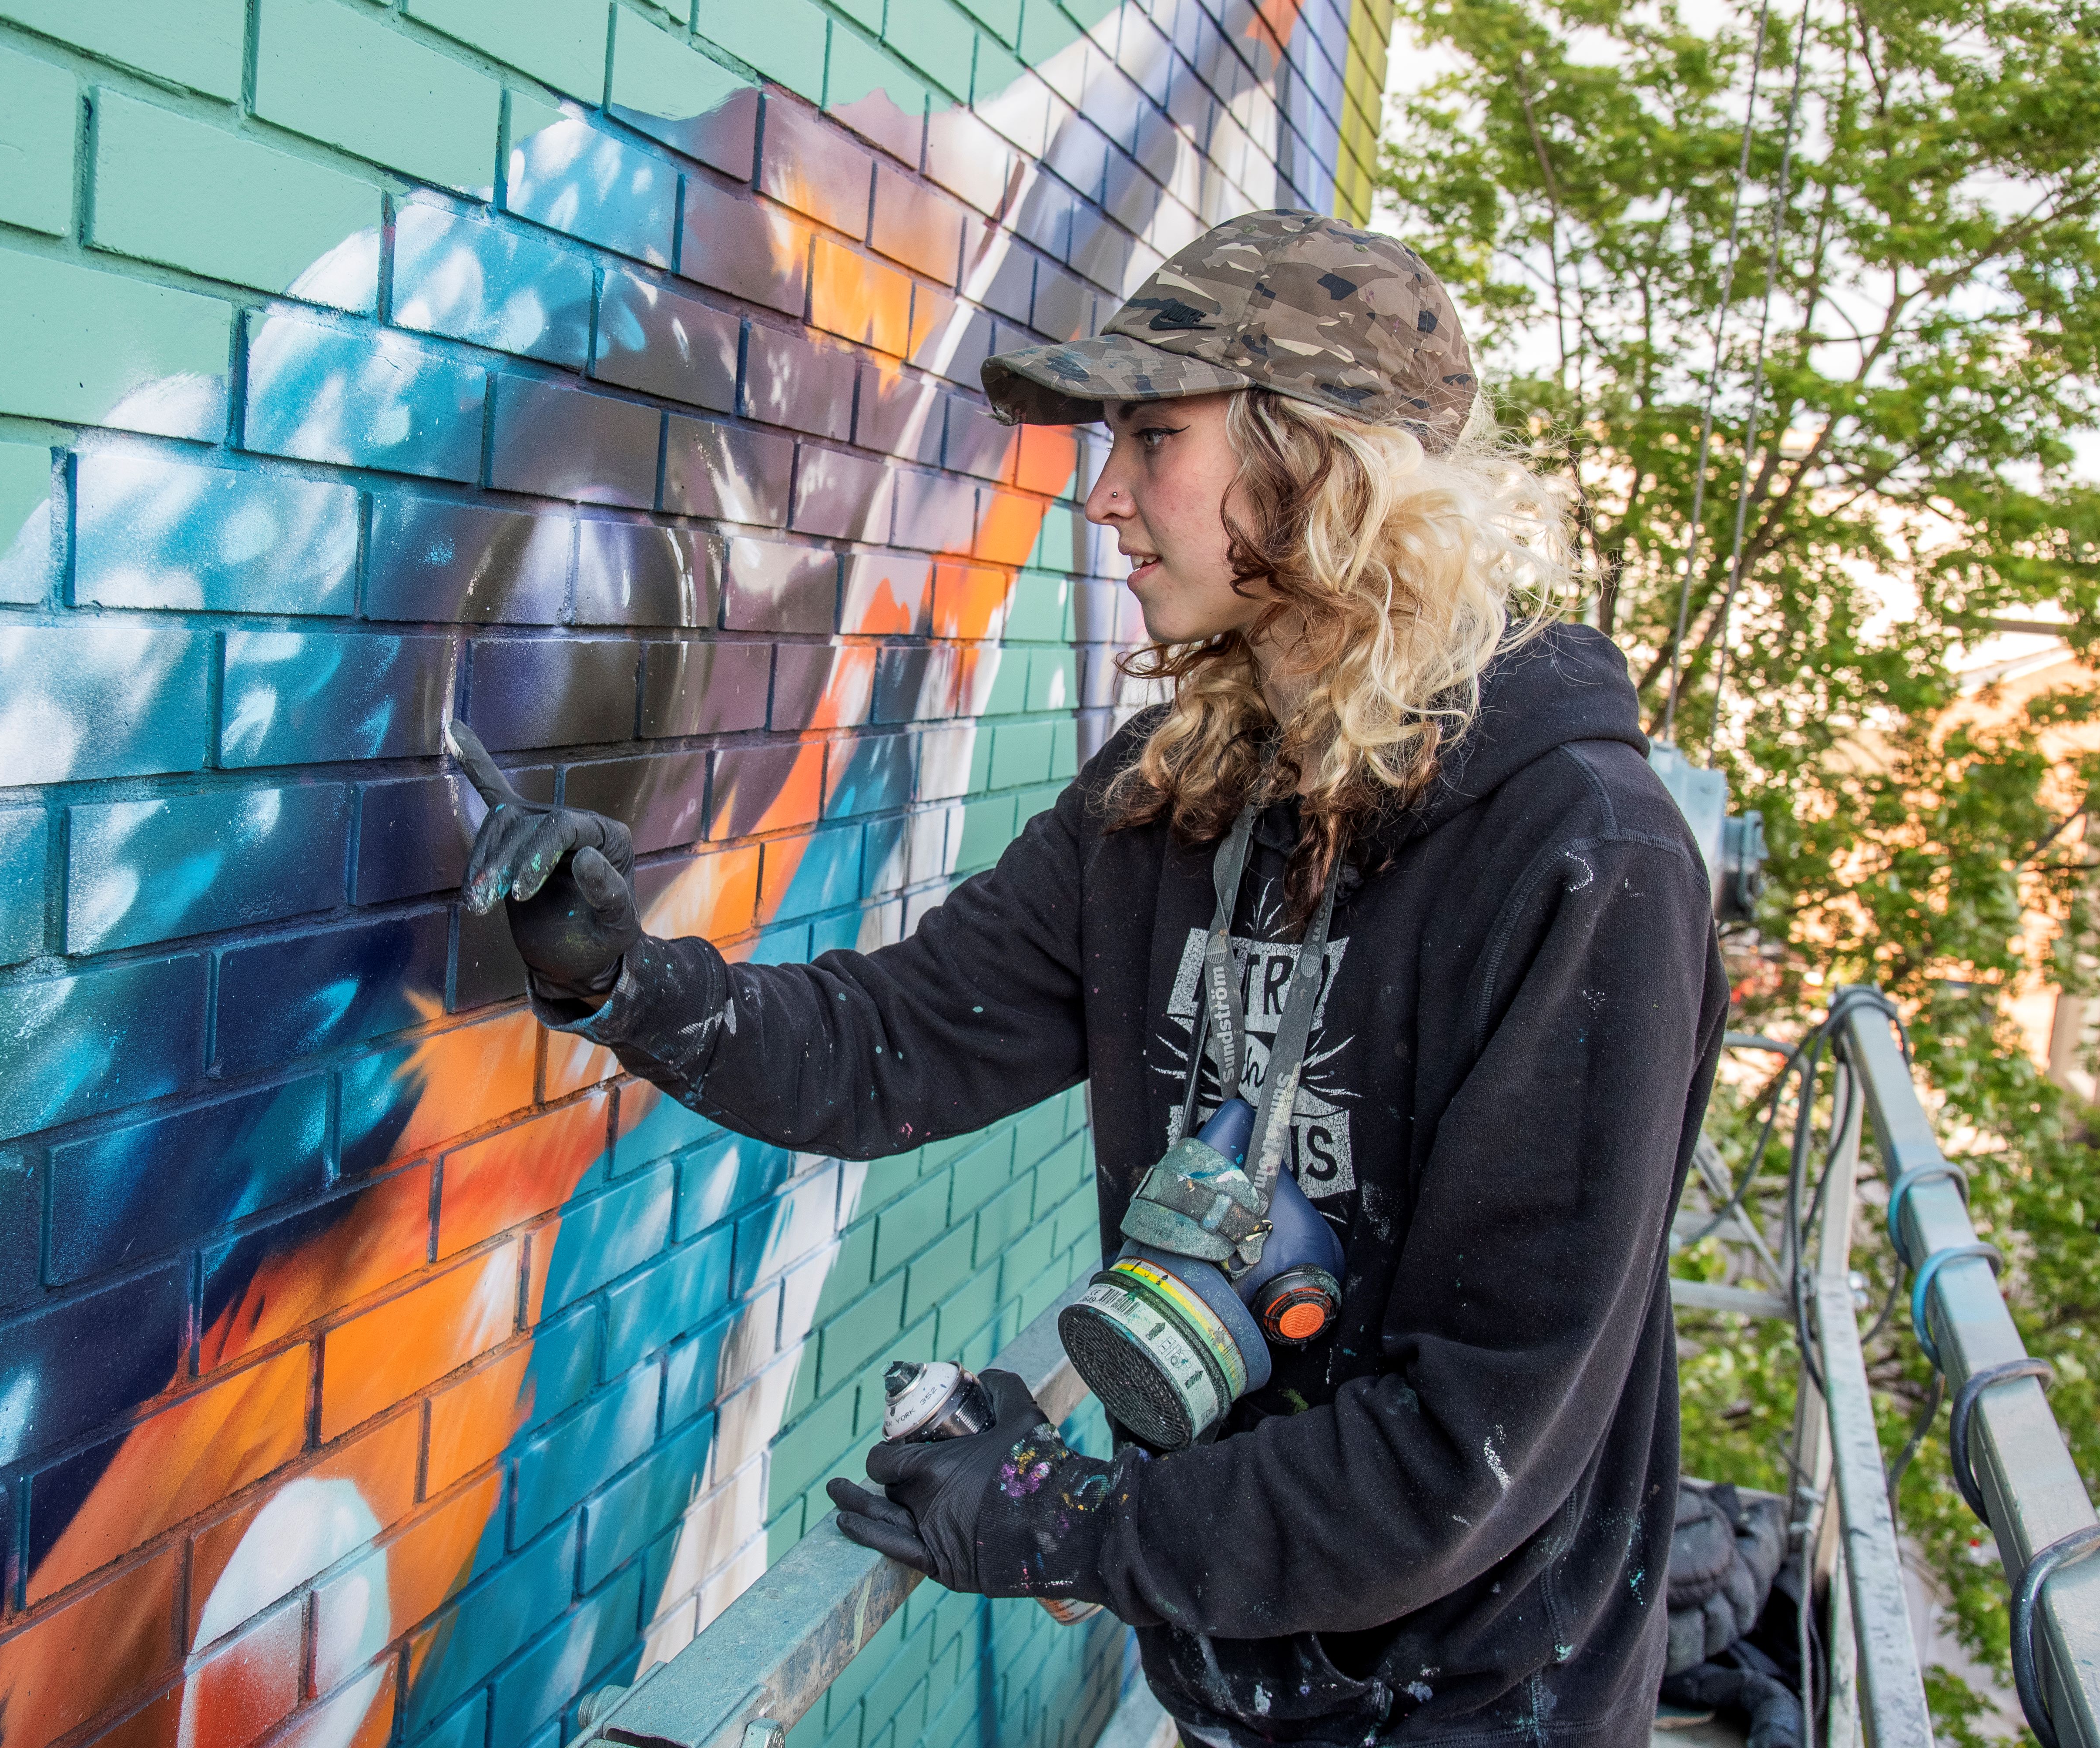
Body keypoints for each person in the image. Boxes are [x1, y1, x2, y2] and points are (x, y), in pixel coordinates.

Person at [456, 209, 1728, 1747]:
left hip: (1479, 1707)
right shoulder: (1177, 794)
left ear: (1319, 461)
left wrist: (1076, 1523)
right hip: (1236, 1672)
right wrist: (623, 980)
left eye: (1153, 439)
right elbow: (897, 1043)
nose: (1105, 497)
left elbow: (1475, 1444)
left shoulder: (1587, 857)